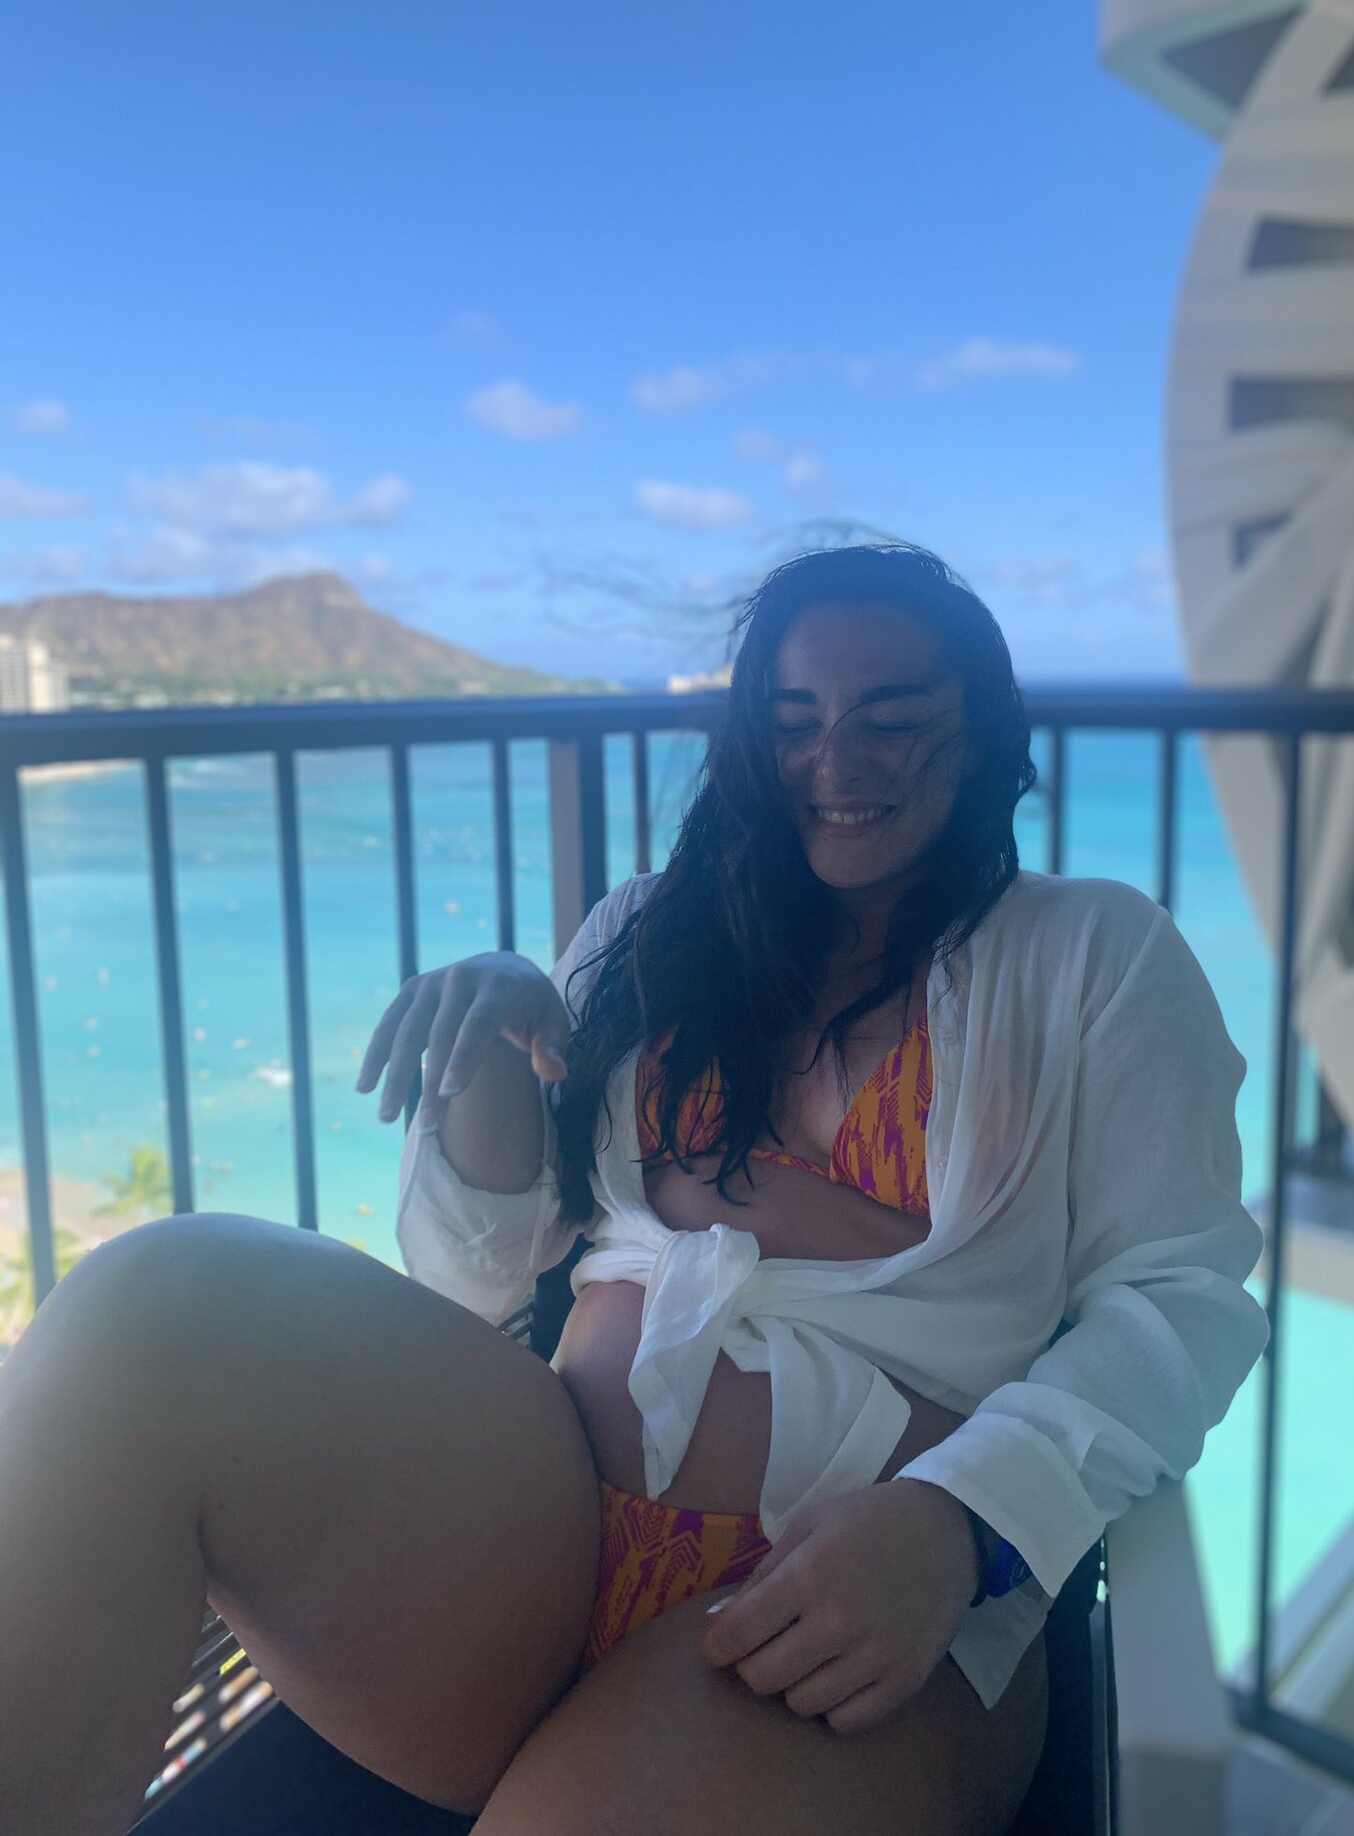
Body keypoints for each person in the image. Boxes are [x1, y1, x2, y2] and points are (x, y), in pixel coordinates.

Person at [0, 542, 1269, 1836]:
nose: (835, 761)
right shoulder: (645, 934)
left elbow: (1180, 1301)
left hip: (863, 1598)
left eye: (891, 719)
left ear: (983, 732)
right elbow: (479, 1280)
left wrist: (965, 1521)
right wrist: (493, 1067)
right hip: (539, 1528)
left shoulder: (1094, 955)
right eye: (793, 721)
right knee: (147, 1317)